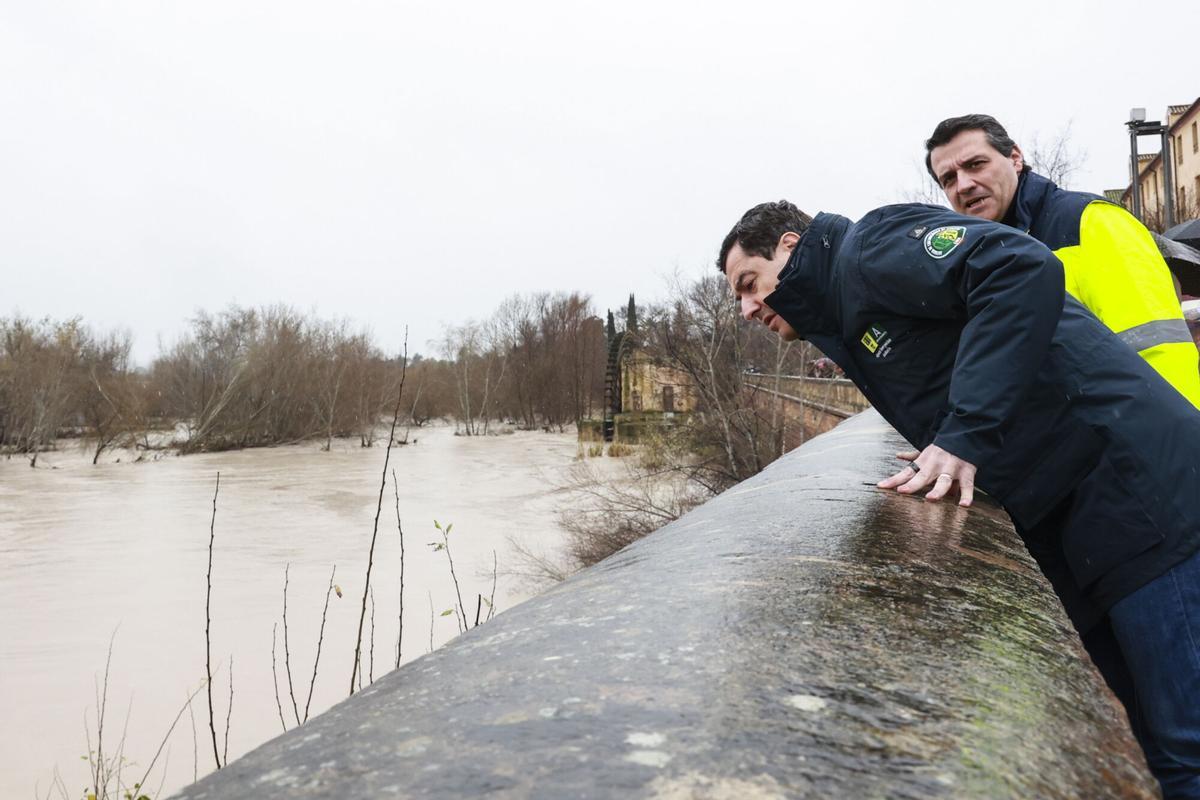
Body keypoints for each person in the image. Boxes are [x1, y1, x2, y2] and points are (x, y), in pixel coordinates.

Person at [718, 199, 1200, 797]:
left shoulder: (869, 249)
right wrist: (939, 441)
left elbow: (1019, 267)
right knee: (1141, 741)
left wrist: (964, 435)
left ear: (790, 248)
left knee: (1185, 743)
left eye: (748, 285)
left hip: (1143, 494)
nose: (745, 309)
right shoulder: (844, 310)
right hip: (1090, 517)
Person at [924, 113, 1200, 408]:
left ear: (1015, 158)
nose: (964, 184)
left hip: (1129, 441)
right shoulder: (983, 258)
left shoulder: (1088, 222)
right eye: (949, 179)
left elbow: (1158, 349)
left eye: (975, 164)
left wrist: (1179, 444)